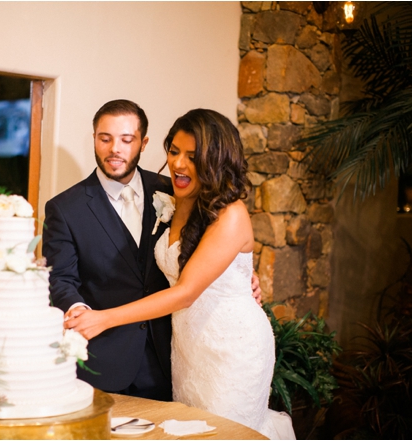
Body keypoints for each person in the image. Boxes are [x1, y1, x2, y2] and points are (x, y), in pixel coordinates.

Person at [65, 109, 294, 439]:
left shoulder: (230, 213)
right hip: (187, 346)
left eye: (193, 156)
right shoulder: (172, 197)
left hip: (231, 347)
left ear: (215, 158)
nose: (179, 164)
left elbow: (187, 290)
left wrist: (103, 318)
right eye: (174, 151)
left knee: (223, 433)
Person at [43, 100, 261, 402]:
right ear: (94, 138)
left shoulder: (176, 189)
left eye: (126, 139)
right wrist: (83, 314)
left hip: (173, 351)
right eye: (105, 138)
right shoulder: (65, 209)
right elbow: (61, 280)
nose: (114, 149)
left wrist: (242, 273)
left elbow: (217, 241)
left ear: (143, 143)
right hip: (107, 353)